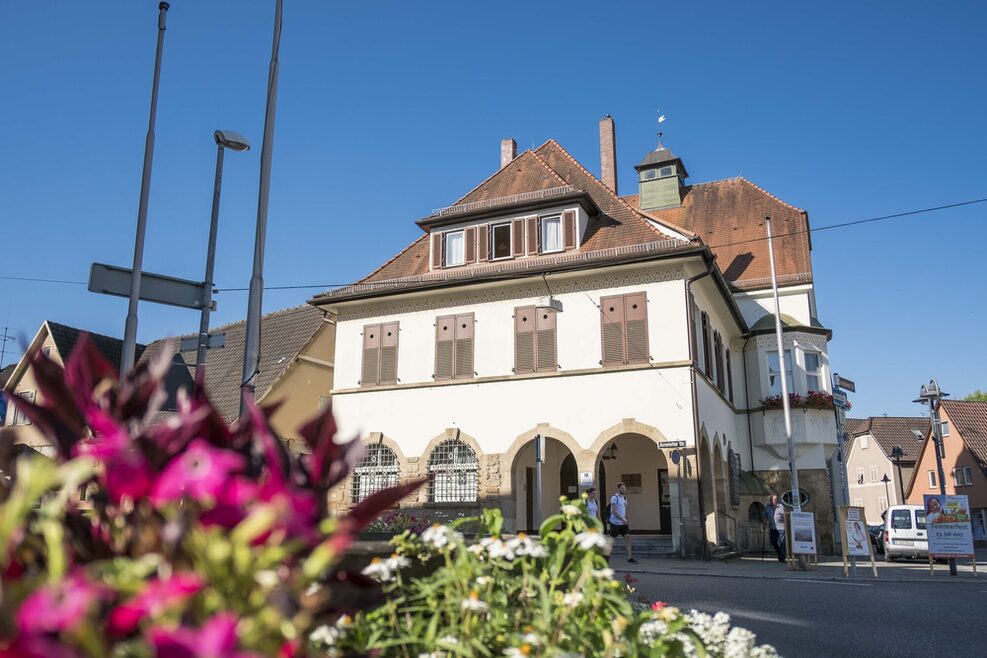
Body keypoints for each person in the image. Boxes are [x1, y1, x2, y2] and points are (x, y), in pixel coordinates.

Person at [609, 482, 636, 563]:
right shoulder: (614, 497)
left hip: (623, 523)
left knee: (627, 538)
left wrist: (625, 519)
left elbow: (623, 510)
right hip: (615, 523)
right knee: (612, 540)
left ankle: (629, 557)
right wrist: (622, 519)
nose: (624, 489)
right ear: (618, 489)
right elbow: (614, 511)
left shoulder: (624, 498)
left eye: (624, 488)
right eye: (622, 488)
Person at [764, 494, 785, 562]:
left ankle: (782, 557)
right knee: (773, 542)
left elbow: (785, 516)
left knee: (782, 542)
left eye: (774, 499)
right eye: (771, 499)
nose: (772, 501)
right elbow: (765, 515)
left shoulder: (781, 507)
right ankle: (779, 553)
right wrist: (764, 523)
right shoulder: (767, 507)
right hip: (772, 527)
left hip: (781, 528)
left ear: (776, 500)